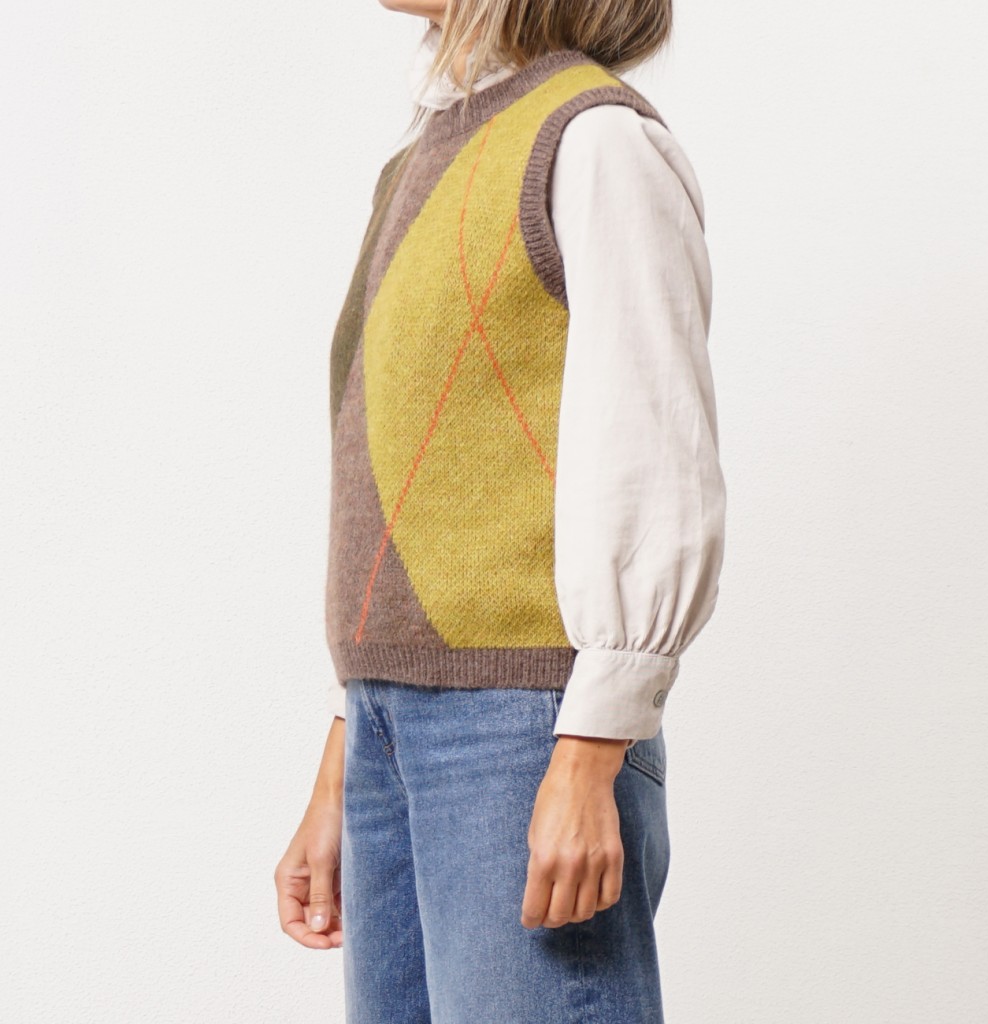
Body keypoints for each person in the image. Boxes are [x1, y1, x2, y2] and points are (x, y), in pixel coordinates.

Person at [275, 2, 727, 1020]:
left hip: (525, 725)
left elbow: (656, 446)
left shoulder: (594, 140)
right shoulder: (421, 159)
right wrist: (350, 745)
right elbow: (413, 481)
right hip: (397, 724)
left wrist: (594, 749)